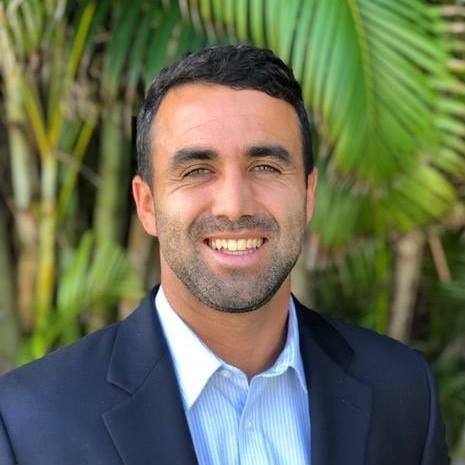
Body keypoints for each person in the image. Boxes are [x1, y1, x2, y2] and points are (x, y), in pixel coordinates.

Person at [0, 45, 448, 465]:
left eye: (265, 167)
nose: (234, 206)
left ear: (308, 194)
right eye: (197, 170)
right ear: (147, 205)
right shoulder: (29, 422)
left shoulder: (402, 393)